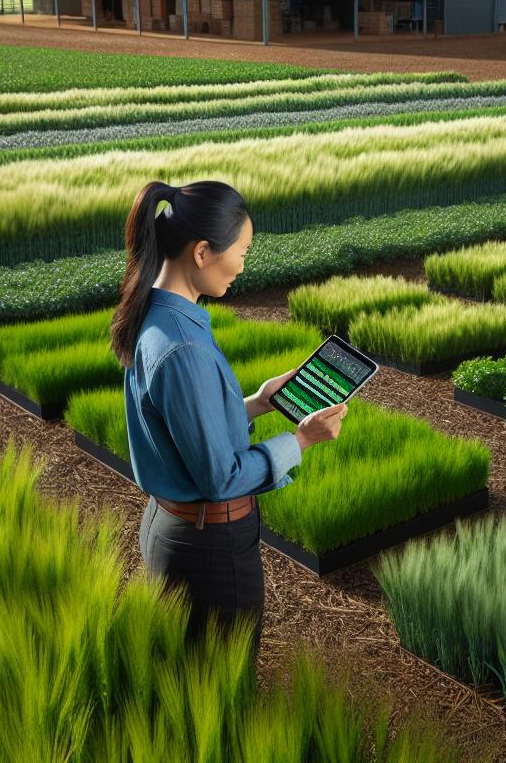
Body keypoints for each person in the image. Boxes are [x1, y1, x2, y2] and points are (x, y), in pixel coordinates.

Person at [110, 179, 345, 660]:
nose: (242, 265)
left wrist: (256, 402)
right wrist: (301, 441)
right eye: (242, 250)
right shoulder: (183, 346)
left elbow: (184, 428)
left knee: (188, 682)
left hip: (172, 530)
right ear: (201, 252)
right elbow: (220, 477)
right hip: (208, 552)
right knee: (224, 690)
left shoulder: (157, 317)